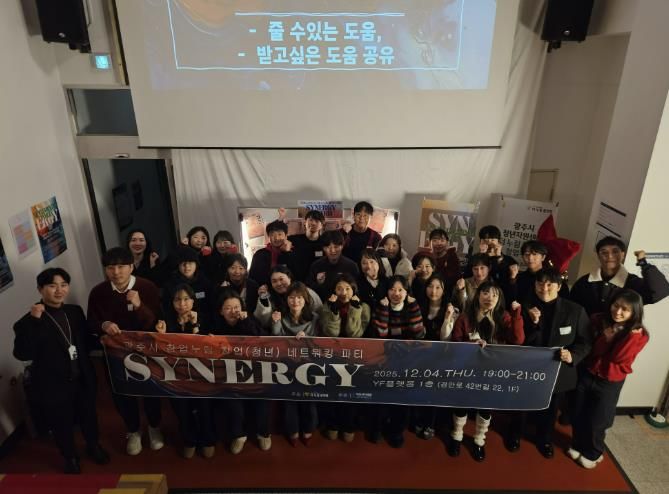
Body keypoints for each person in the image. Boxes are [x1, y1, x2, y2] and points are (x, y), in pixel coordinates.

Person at [13, 268, 110, 474]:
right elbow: (22, 353)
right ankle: (70, 456)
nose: (59, 290)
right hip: (53, 383)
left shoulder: (74, 311)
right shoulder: (27, 321)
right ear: (40, 289)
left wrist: (103, 340)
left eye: (63, 285)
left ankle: (93, 446)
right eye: (52, 286)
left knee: (88, 415)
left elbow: (85, 341)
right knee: (61, 422)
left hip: (81, 376)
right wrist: (35, 321)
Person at [506, 268, 591, 458]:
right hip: (527, 367)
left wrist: (573, 355)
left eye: (550, 284)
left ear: (559, 286)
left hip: (558, 369)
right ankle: (515, 433)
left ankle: (544, 438)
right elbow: (516, 339)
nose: (544, 288)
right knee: (521, 403)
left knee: (552, 407)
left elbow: (585, 341)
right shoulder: (523, 308)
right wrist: (534, 323)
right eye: (540, 283)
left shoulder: (575, 310)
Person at [87, 247, 164, 456]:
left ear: (131, 267)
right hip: (115, 354)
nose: (116, 272)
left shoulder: (147, 287)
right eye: (110, 268)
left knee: (150, 390)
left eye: (121, 267)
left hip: (146, 352)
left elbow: (157, 323)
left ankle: (154, 427)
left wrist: (139, 306)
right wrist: (103, 325)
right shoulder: (98, 292)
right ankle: (133, 430)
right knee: (121, 392)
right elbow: (91, 322)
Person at [569, 289, 649, 469]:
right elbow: (592, 350)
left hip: (609, 381)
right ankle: (577, 444)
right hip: (588, 372)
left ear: (634, 312)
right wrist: (606, 337)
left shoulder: (640, 335)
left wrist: (629, 337)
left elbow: (618, 358)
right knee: (578, 412)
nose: (618, 312)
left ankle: (593, 452)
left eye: (625, 309)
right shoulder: (598, 319)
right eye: (616, 305)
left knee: (599, 420)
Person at [449, 282, 524, 461]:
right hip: (467, 369)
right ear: (478, 295)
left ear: (499, 299)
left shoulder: (504, 317)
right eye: (485, 293)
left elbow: (518, 340)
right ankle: (457, 435)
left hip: (492, 371)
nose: (489, 298)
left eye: (494, 295)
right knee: (462, 403)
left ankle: (479, 439)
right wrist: (471, 345)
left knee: (485, 406)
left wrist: (517, 316)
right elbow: (454, 342)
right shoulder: (466, 317)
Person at [155, 284, 215, 459]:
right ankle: (189, 440)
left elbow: (207, 346)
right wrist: (161, 335)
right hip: (176, 374)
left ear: (193, 301)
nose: (182, 304)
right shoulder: (165, 321)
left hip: (201, 374)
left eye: (186, 299)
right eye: (177, 300)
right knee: (181, 408)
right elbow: (160, 350)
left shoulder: (205, 318)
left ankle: (208, 439)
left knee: (205, 408)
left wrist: (195, 325)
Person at [211, 289, 270, 454]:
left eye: (236, 307)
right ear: (221, 311)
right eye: (228, 308)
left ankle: (263, 433)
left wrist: (246, 322)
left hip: (254, 371)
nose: (233, 311)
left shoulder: (249, 320)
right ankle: (239, 435)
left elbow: (263, 340)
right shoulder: (215, 325)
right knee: (233, 403)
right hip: (228, 374)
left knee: (262, 399)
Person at [370, 275, 425, 447]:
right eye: (392, 289)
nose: (396, 293)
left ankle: (396, 431)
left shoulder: (412, 307)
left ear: (407, 292)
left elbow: (418, 333)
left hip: (406, 362)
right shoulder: (380, 306)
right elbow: (381, 334)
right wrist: (384, 309)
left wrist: (414, 306)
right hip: (384, 361)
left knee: (402, 399)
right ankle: (377, 428)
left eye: (400, 290)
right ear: (386, 292)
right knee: (381, 397)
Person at [320, 274, 371, 442]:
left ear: (353, 290)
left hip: (353, 358)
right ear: (334, 291)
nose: (343, 292)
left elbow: (354, 334)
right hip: (332, 356)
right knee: (331, 392)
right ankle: (332, 425)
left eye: (347, 288)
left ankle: (349, 425)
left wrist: (355, 309)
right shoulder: (326, 306)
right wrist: (333, 310)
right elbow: (331, 333)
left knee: (350, 394)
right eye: (339, 288)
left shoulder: (363, 307)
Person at [270, 282, 319, 446]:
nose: (295, 301)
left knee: (308, 401)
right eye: (291, 297)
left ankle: (308, 429)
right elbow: (277, 340)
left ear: (305, 300)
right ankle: (293, 431)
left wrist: (307, 338)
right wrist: (275, 322)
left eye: (299, 297)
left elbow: (319, 343)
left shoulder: (314, 317)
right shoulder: (281, 316)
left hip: (309, 366)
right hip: (287, 366)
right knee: (289, 401)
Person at [570, 239, 669, 316]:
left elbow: (660, 292)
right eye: (604, 252)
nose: (610, 256)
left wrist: (644, 264)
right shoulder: (584, 283)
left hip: (619, 335)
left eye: (615, 252)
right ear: (598, 256)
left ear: (622, 255)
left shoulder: (633, 283)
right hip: (586, 334)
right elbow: (572, 309)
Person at [414, 273, 457, 440]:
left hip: (440, 357)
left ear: (444, 290)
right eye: (430, 286)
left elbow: (446, 338)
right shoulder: (418, 306)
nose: (433, 291)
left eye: (438, 287)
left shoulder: (451, 309)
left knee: (434, 389)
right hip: (420, 355)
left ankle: (430, 423)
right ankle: (418, 419)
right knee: (418, 388)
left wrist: (447, 319)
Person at [503, 240, 569, 308]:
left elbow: (564, 303)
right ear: (522, 257)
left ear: (543, 257)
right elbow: (511, 300)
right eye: (527, 254)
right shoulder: (518, 277)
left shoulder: (554, 278)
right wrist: (512, 279)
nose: (530, 258)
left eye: (534, 254)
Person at [163, 246, 215, 330]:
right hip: (177, 325)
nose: (187, 267)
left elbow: (210, 308)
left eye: (190, 263)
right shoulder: (170, 284)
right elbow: (167, 309)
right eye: (183, 263)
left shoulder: (205, 283)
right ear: (178, 265)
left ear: (196, 264)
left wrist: (198, 321)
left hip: (202, 325)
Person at [254, 265, 323, 328]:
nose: (279, 283)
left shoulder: (306, 292)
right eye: (274, 281)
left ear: (289, 278)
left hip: (308, 332)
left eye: (281, 279)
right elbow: (264, 322)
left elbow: (320, 315)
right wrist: (263, 298)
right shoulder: (270, 296)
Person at [307, 230, 359, 301]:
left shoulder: (351, 266)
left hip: (346, 304)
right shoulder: (316, 266)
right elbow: (309, 291)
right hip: (323, 304)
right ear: (323, 248)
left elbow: (356, 290)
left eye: (336, 247)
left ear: (342, 246)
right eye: (328, 247)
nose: (332, 250)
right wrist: (318, 284)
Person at [249, 220, 295, 287]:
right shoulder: (260, 254)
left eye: (279, 234)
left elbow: (296, 276)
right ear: (269, 237)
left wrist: (287, 253)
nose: (276, 238)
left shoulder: (294, 253)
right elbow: (252, 277)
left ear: (286, 236)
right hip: (264, 290)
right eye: (272, 235)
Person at [288, 209, 325, 282]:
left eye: (317, 221)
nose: (313, 223)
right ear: (305, 222)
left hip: (317, 282)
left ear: (322, 225)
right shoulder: (293, 240)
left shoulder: (325, 242)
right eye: (310, 220)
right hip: (297, 282)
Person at [341, 201, 382, 265]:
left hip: (366, 269)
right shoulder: (342, 232)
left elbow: (378, 259)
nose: (361, 218)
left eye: (365, 215)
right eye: (358, 214)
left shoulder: (376, 237)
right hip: (346, 268)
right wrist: (344, 233)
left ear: (371, 217)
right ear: (353, 215)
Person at [357, 248, 389, 314]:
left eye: (372, 262)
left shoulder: (387, 282)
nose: (369, 266)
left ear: (378, 263)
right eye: (364, 263)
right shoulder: (357, 283)